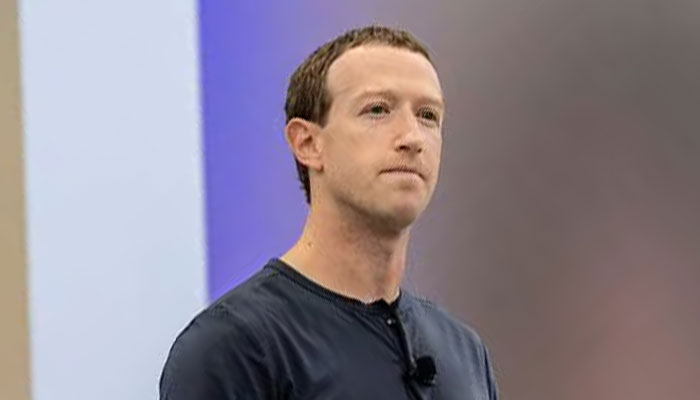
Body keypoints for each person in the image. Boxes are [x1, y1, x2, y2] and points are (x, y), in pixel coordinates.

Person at [160, 25, 498, 400]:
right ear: (307, 143)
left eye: (428, 115)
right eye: (378, 110)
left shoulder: (465, 352)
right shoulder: (236, 347)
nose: (412, 138)